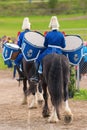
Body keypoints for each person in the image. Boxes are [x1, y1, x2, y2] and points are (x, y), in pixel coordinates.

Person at [30, 16, 66, 83]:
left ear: (51, 26)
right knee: (66, 61)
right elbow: (63, 46)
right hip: (58, 51)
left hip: (48, 51)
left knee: (37, 60)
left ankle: (36, 76)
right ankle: (67, 76)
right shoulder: (61, 35)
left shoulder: (48, 34)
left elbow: (45, 45)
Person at [14, 17, 31, 81]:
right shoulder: (32, 33)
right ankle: (37, 75)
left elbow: (19, 44)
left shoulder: (21, 34)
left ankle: (21, 75)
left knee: (16, 61)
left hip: (23, 53)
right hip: (32, 53)